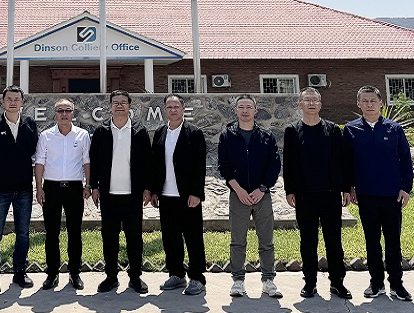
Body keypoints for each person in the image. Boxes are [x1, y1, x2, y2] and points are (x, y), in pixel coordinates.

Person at [343, 85, 414, 301]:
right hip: (365, 195)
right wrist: (348, 187)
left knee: (393, 241)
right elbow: (346, 162)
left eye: (373, 100)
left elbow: (405, 160)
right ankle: (376, 283)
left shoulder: (394, 129)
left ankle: (397, 285)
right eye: (364, 101)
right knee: (372, 241)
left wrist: (406, 188)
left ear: (381, 103)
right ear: (358, 104)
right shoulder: (350, 130)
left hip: (392, 195)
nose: (369, 104)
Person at [283, 87, 351, 299]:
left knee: (334, 241)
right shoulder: (292, 131)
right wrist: (290, 190)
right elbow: (289, 163)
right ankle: (309, 283)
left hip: (330, 194)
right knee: (308, 241)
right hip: (304, 196)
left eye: (315, 100)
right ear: (300, 104)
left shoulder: (332, 129)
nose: (311, 103)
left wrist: (346, 188)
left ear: (320, 104)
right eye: (307, 100)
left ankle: (337, 283)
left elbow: (342, 160)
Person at [217, 94, 282, 298]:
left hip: (262, 195)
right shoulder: (227, 135)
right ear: (235, 110)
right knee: (238, 241)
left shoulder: (266, 136)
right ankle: (238, 281)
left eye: (248, 107)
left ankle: (268, 280)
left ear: (255, 111)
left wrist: (262, 188)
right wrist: (238, 190)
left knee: (266, 240)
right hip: (238, 195)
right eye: (241, 107)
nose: (245, 110)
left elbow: (274, 165)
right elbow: (224, 166)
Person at [89, 89, 153, 294]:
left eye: (123, 102)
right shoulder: (101, 132)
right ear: (110, 107)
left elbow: (147, 162)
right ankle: (111, 277)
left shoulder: (139, 131)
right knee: (109, 238)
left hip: (133, 195)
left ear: (129, 106)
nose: (119, 105)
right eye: (115, 102)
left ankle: (135, 277)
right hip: (109, 195)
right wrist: (94, 186)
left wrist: (148, 188)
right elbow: (94, 161)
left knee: (134, 238)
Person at [0, 85, 39, 294]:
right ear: (2, 102)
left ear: (23, 102)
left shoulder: (30, 125)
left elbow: (34, 154)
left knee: (23, 233)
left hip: (24, 189)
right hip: (0, 189)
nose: (13, 102)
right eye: (9, 99)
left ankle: (20, 271)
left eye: (17, 99)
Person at [148, 93, 207, 296]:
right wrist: (154, 190)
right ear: (165, 110)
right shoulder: (160, 132)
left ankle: (197, 277)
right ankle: (176, 274)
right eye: (169, 107)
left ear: (183, 109)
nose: (173, 110)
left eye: (176, 106)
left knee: (193, 237)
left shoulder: (194, 133)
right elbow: (156, 164)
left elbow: (200, 166)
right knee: (170, 238)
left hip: (188, 196)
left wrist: (196, 193)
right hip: (166, 195)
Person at [34, 98, 91, 290]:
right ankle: (52, 273)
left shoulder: (82, 135)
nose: (64, 114)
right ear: (55, 114)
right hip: (51, 188)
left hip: (74, 188)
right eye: (60, 111)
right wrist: (39, 188)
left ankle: (75, 273)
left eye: (68, 110)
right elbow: (40, 162)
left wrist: (88, 185)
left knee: (75, 232)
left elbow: (86, 161)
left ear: (73, 113)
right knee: (52, 233)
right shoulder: (46, 136)